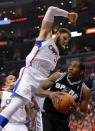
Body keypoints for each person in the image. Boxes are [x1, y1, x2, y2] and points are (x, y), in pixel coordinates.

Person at [0, 6, 78, 130]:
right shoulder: (46, 36)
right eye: (64, 38)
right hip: (30, 73)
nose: (65, 42)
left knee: (49, 111)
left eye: (67, 41)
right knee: (16, 103)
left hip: (43, 80)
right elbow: (51, 9)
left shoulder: (57, 54)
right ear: (57, 34)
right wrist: (68, 14)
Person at [35, 61, 90, 131]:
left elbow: (83, 114)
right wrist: (50, 94)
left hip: (63, 121)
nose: (70, 68)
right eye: (70, 66)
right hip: (46, 115)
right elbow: (38, 91)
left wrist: (75, 111)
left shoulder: (85, 90)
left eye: (74, 66)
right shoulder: (58, 76)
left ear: (81, 72)